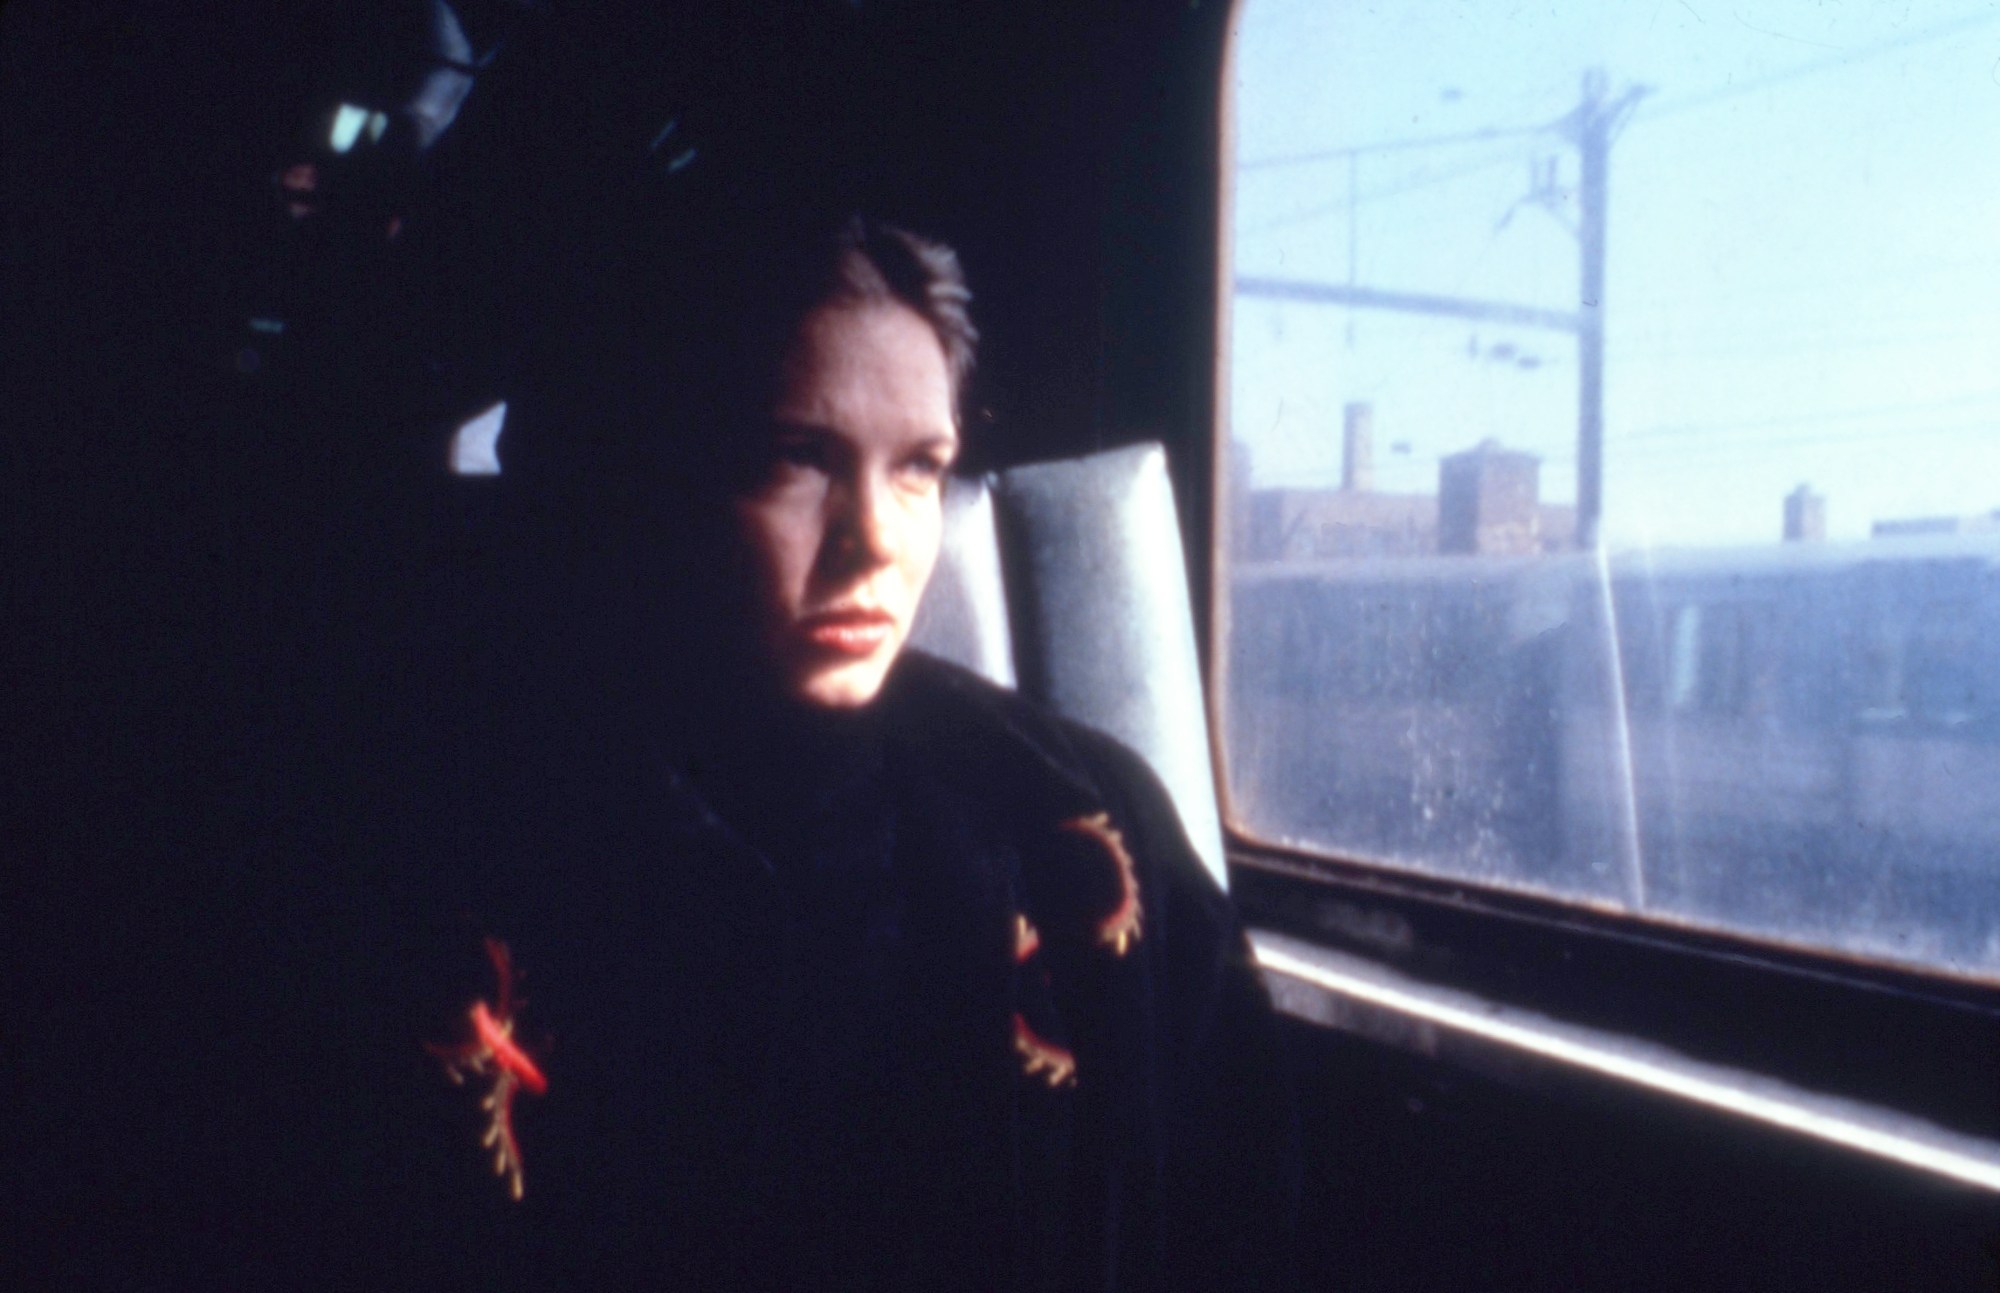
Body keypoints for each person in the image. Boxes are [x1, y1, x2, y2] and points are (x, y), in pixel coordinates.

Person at [415, 210, 1300, 1289]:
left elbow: (1245, 1221)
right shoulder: (463, 832)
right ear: (661, 476)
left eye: (920, 468)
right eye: (799, 458)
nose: (873, 537)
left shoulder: (1083, 817)